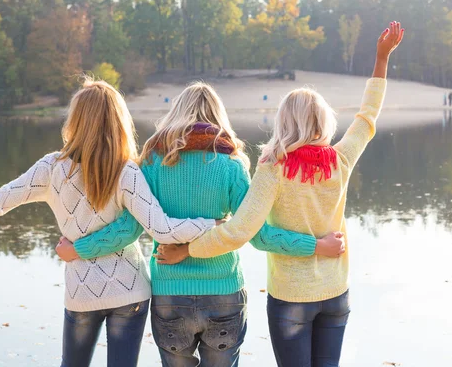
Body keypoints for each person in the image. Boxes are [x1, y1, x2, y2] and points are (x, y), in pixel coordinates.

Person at [0, 79, 218, 367]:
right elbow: (161, 229)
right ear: (118, 121)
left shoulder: (52, 168)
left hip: (81, 293)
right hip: (129, 292)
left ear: (75, 120)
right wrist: (213, 223)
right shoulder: (127, 171)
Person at [155, 21, 404, 367]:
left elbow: (240, 232)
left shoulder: (273, 168)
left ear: (284, 122)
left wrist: (188, 249)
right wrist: (382, 57)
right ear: (324, 122)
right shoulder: (341, 160)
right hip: (336, 294)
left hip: (291, 298)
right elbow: (367, 117)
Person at [55, 83, 345, 367]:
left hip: (170, 294)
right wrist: (316, 245)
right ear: (218, 117)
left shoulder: (152, 164)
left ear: (176, 115)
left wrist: (80, 248)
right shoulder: (231, 166)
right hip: (224, 292)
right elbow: (257, 235)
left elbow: (129, 228)